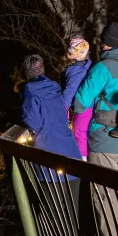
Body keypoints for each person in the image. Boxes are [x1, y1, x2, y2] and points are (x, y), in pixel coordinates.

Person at [72, 22, 118, 236]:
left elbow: (80, 102)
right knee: (115, 192)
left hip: (104, 136)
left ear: (106, 42)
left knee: (103, 195)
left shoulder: (104, 67)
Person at [19, 54, 83, 204]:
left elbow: (33, 121)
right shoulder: (54, 86)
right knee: (72, 211)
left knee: (54, 213)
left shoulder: (29, 90)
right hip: (71, 154)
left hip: (49, 160)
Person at [62, 37, 92, 160]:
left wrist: (63, 107)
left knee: (79, 130)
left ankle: (82, 159)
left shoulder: (76, 70)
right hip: (89, 103)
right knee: (82, 130)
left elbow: (70, 90)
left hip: (82, 105)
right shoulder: (88, 66)